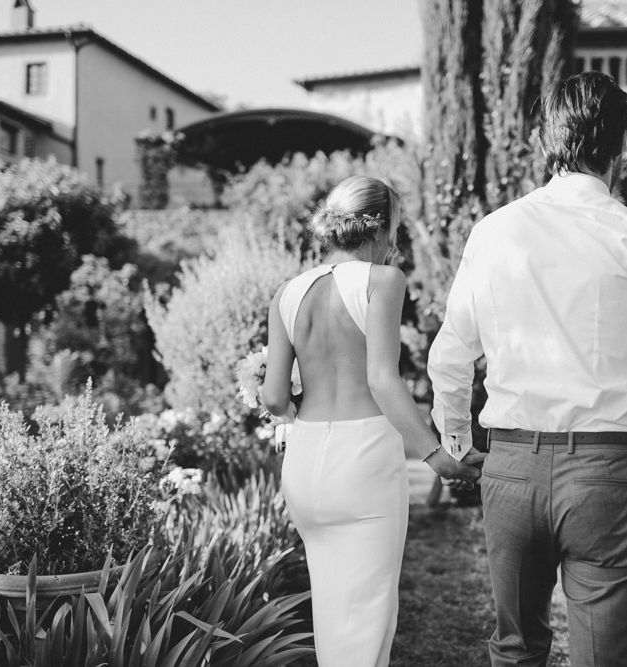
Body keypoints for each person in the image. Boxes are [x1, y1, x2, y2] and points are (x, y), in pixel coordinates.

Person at [428, 71, 627, 667]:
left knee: (516, 649)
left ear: (545, 141)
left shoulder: (496, 230)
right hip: (608, 471)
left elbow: (450, 353)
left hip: (511, 467)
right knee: (605, 655)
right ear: (620, 146)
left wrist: (458, 443)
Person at [261, 175, 484, 667]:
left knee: (334, 614)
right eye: (397, 229)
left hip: (304, 465)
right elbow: (382, 381)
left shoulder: (289, 292)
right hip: (362, 465)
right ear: (379, 228)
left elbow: (274, 396)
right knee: (366, 622)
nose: (397, 241)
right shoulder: (383, 281)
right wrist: (437, 457)